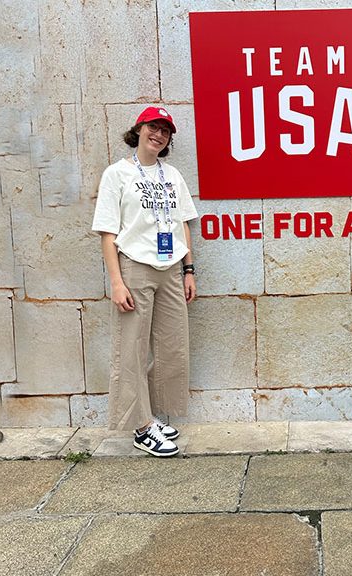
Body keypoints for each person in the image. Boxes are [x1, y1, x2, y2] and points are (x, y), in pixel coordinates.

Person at [92, 106, 198, 457]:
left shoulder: (172, 176)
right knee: (132, 348)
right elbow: (108, 232)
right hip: (134, 266)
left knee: (172, 346)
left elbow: (184, 222)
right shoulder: (117, 174)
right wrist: (116, 282)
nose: (159, 134)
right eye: (154, 127)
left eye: (165, 131)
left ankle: (152, 415)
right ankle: (141, 427)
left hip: (170, 267)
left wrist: (188, 269)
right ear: (138, 129)